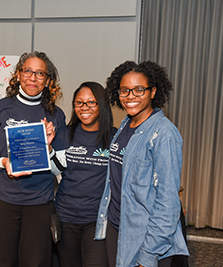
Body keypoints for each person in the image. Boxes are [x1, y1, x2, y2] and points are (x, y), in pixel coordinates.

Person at [0, 51, 68, 267]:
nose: (33, 77)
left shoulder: (56, 115)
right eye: (27, 71)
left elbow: (60, 167)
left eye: (40, 73)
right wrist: (4, 162)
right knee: (3, 262)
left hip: (39, 203)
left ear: (47, 81)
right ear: (18, 74)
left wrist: (48, 148)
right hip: (1, 202)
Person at [95, 61, 189, 267]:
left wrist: (149, 253)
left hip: (145, 237)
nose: (130, 96)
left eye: (139, 89)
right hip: (117, 226)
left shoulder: (164, 134)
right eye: (124, 90)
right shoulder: (126, 124)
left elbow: (168, 202)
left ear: (153, 91)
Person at [56, 82, 115, 267]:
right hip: (65, 216)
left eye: (91, 102)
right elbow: (54, 170)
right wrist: (48, 148)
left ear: (102, 105)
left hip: (97, 219)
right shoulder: (64, 134)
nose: (84, 108)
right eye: (79, 103)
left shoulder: (115, 137)